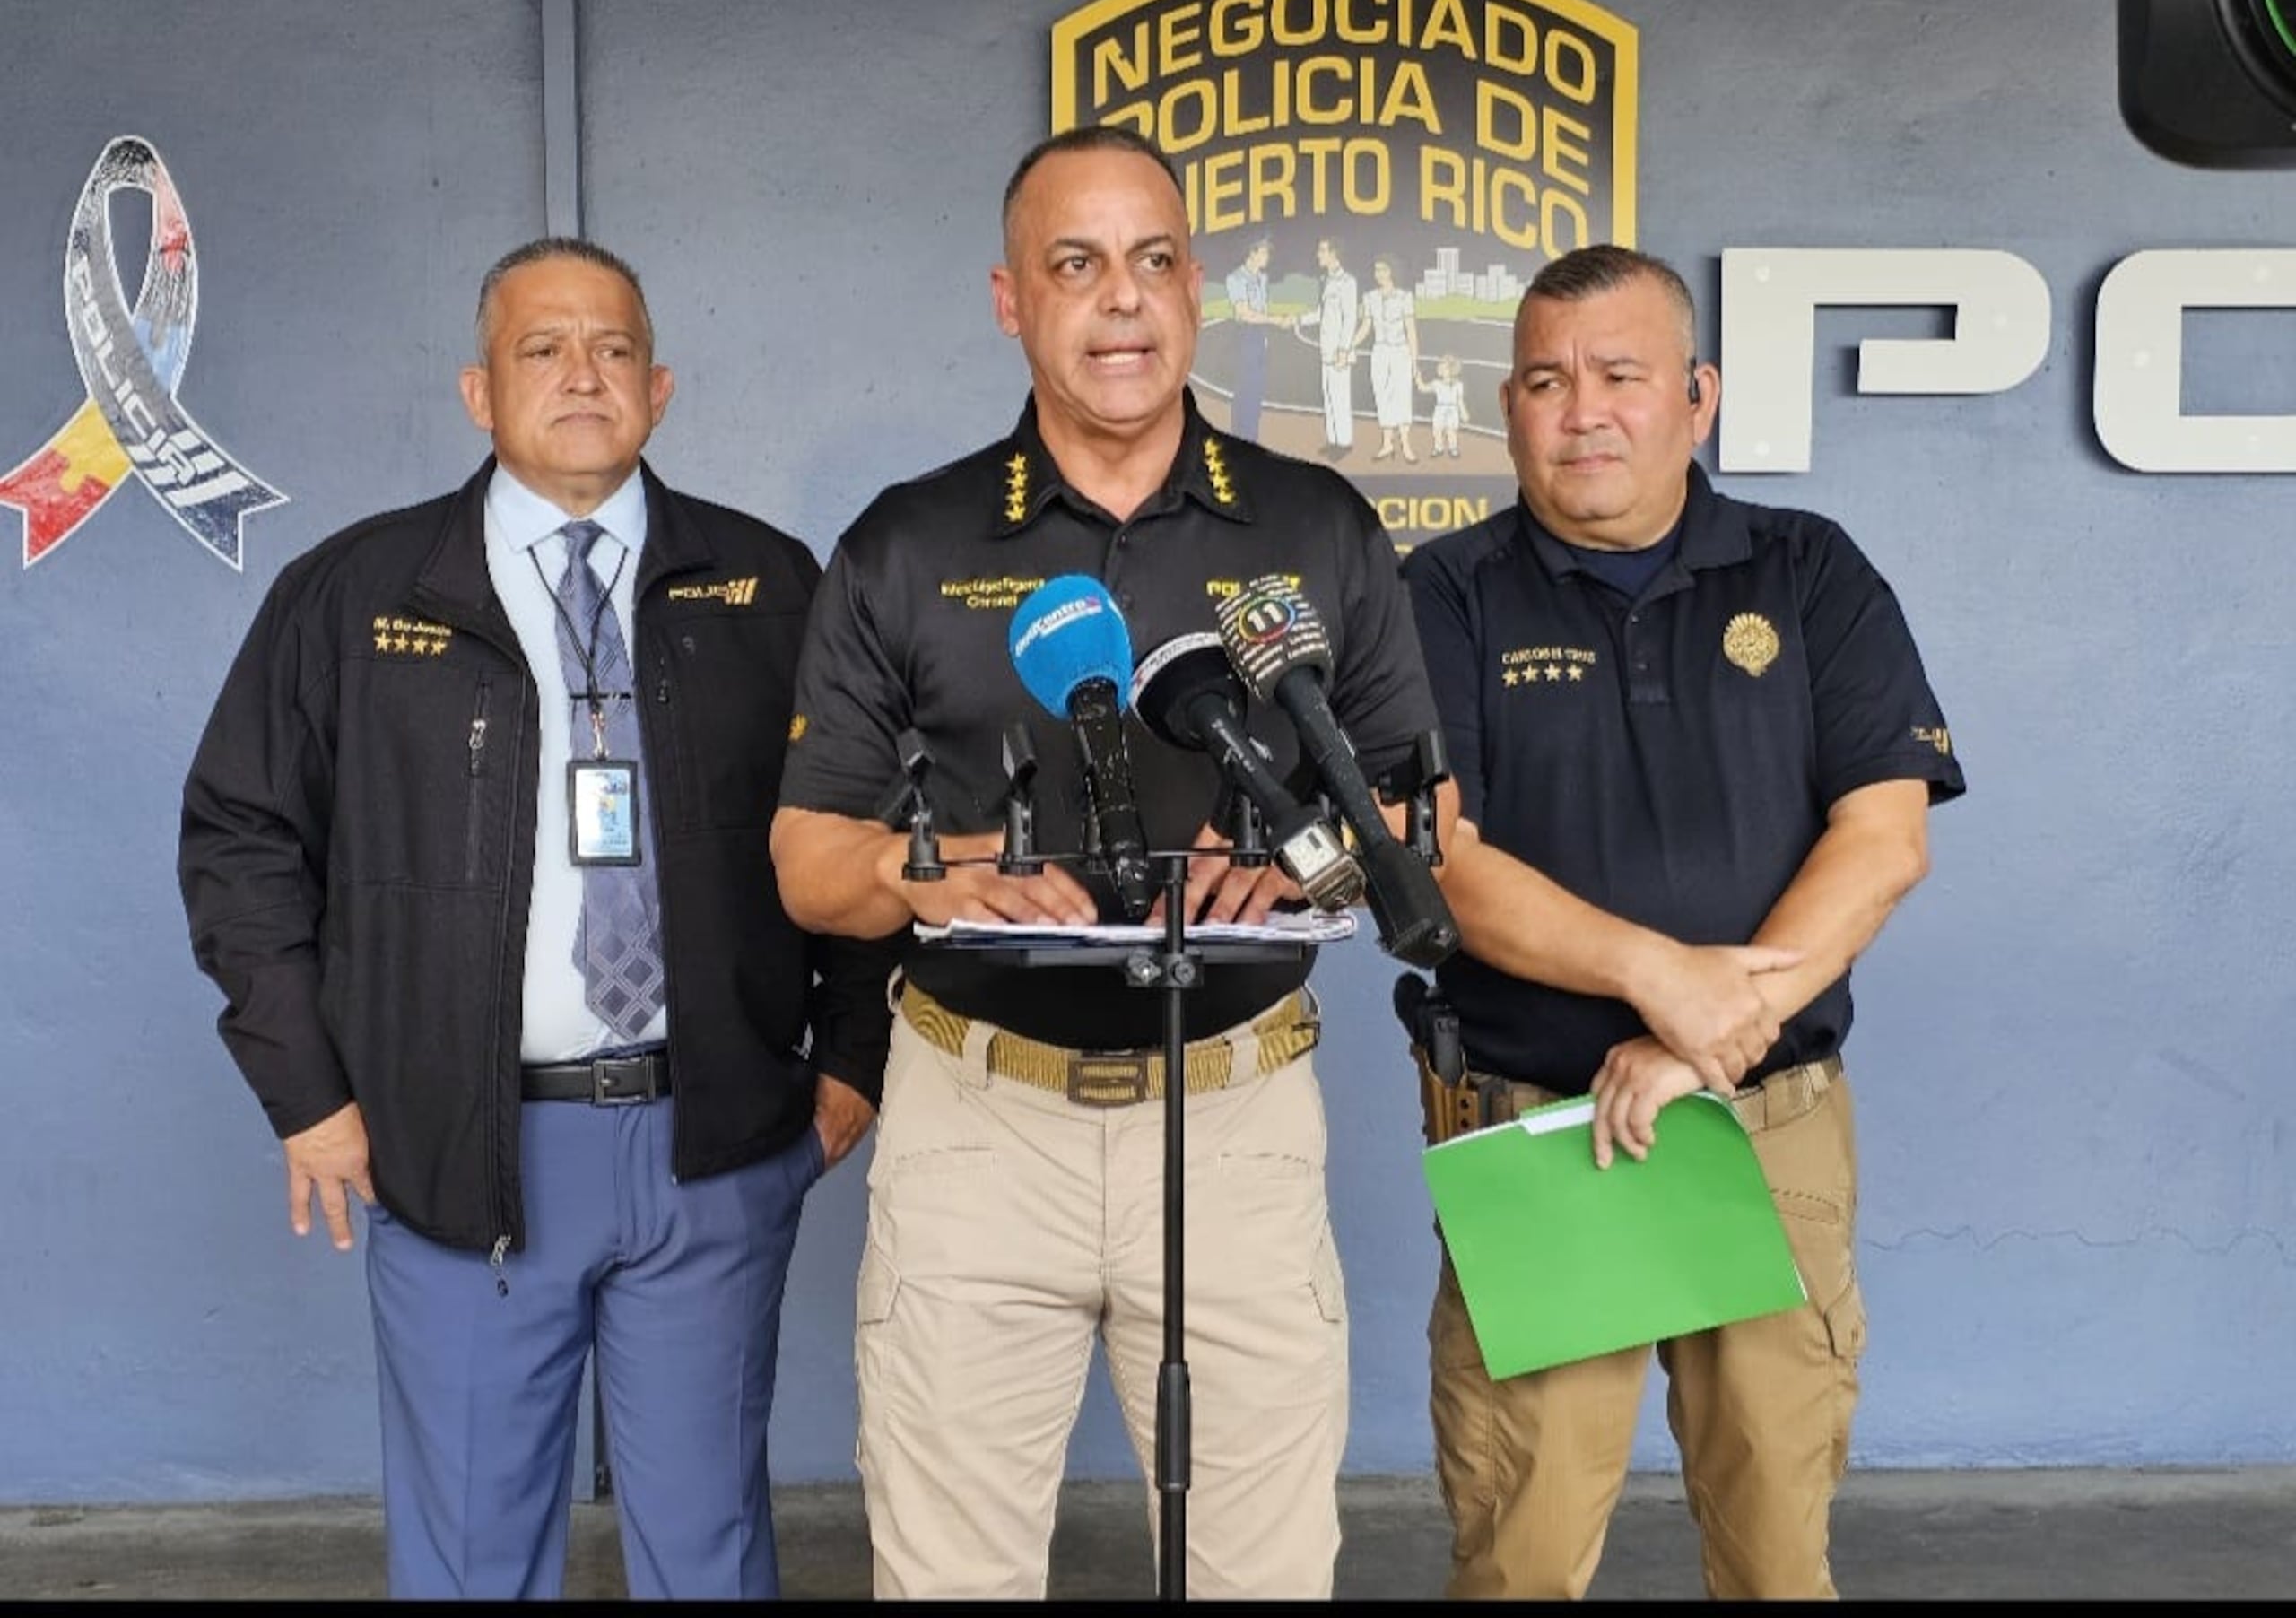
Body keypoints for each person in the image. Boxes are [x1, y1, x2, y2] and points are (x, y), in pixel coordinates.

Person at [769, 125, 1455, 1600]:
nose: (1121, 299)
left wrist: (1308, 854)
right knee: (950, 1579)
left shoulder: (1318, 528)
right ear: (1014, 300)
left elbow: (1417, 826)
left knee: (1258, 1576)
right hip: (973, 1124)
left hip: (1237, 1113)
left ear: (1193, 288)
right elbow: (807, 863)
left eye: (1151, 261)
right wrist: (922, 873)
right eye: (1075, 265)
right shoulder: (907, 541)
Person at [178, 237, 897, 1600]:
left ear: (662, 387)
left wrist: (853, 1057)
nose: (582, 375)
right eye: (542, 350)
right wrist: (307, 1096)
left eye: (613, 349)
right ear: (477, 390)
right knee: (469, 1562)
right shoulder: (354, 595)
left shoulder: (771, 586)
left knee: (712, 1553)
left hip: (715, 1148)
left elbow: (862, 832)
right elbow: (240, 839)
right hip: (460, 1153)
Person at [1399, 243, 1965, 1600]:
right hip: (1540, 1134)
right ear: (1508, 409)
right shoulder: (1441, 595)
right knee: (1519, 1551)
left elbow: (1884, 841)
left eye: (1619, 374)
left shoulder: (1812, 572)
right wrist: (1666, 982)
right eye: (1545, 380)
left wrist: (1712, 1036)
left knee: (1778, 1544)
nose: (1581, 409)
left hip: (1763, 1126)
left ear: (1698, 398)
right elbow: (1443, 863)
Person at [1294, 233, 1361, 461]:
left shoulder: (1347, 281)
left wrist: (1344, 349)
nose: (1318, 255)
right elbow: (1322, 313)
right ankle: (1333, 441)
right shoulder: (1327, 281)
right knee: (1329, 396)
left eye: (1322, 250)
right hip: (1327, 349)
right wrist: (1298, 319)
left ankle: (1344, 443)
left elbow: (1350, 317)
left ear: (1334, 253)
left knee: (1340, 397)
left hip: (1339, 352)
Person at [1353, 254, 1422, 462]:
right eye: (1376, 270)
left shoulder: (1404, 297)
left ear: (1392, 271)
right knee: (1382, 396)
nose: (1379, 274)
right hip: (1380, 351)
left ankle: (1406, 445)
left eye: (1383, 269)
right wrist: (1350, 344)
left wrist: (1414, 361)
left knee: (1402, 396)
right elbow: (1366, 326)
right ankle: (1387, 444)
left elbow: (1411, 330)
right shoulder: (1370, 297)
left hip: (1400, 351)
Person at [1220, 234, 1284, 441]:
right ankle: (1242, 438)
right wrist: (1275, 320)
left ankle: (1251, 439)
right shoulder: (1236, 278)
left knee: (1256, 391)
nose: (1268, 257)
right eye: (1265, 252)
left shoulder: (1263, 279)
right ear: (1252, 253)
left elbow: (1261, 309)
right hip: (1245, 335)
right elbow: (1244, 313)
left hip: (1259, 335)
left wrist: (1266, 332)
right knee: (1245, 391)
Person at [1418, 351, 1470, 457]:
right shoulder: (1436, 384)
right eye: (1440, 366)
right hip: (1440, 409)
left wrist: (1464, 412)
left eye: (1444, 367)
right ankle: (1438, 448)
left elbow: (1459, 400)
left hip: (1452, 410)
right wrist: (1418, 378)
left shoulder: (1458, 385)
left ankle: (1453, 448)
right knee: (1437, 429)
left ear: (1452, 370)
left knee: (1451, 430)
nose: (1440, 369)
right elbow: (1423, 388)